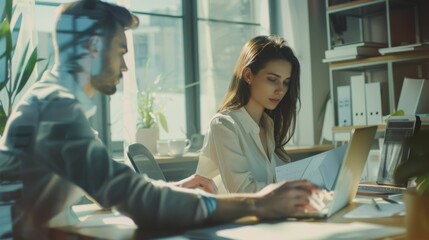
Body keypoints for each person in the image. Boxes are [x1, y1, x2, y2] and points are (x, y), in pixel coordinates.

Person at [0, 1, 324, 239]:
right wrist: (258, 204)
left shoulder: (55, 103)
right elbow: (139, 202)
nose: (126, 66)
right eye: (121, 51)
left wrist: (171, 186)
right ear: (93, 46)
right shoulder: (55, 110)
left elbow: (108, 186)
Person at [196, 35, 300, 194]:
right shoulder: (224, 125)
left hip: (266, 215)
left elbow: (277, 182)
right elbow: (244, 192)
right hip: (228, 217)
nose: (281, 90)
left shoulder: (269, 126)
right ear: (248, 76)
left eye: (286, 82)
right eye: (273, 79)